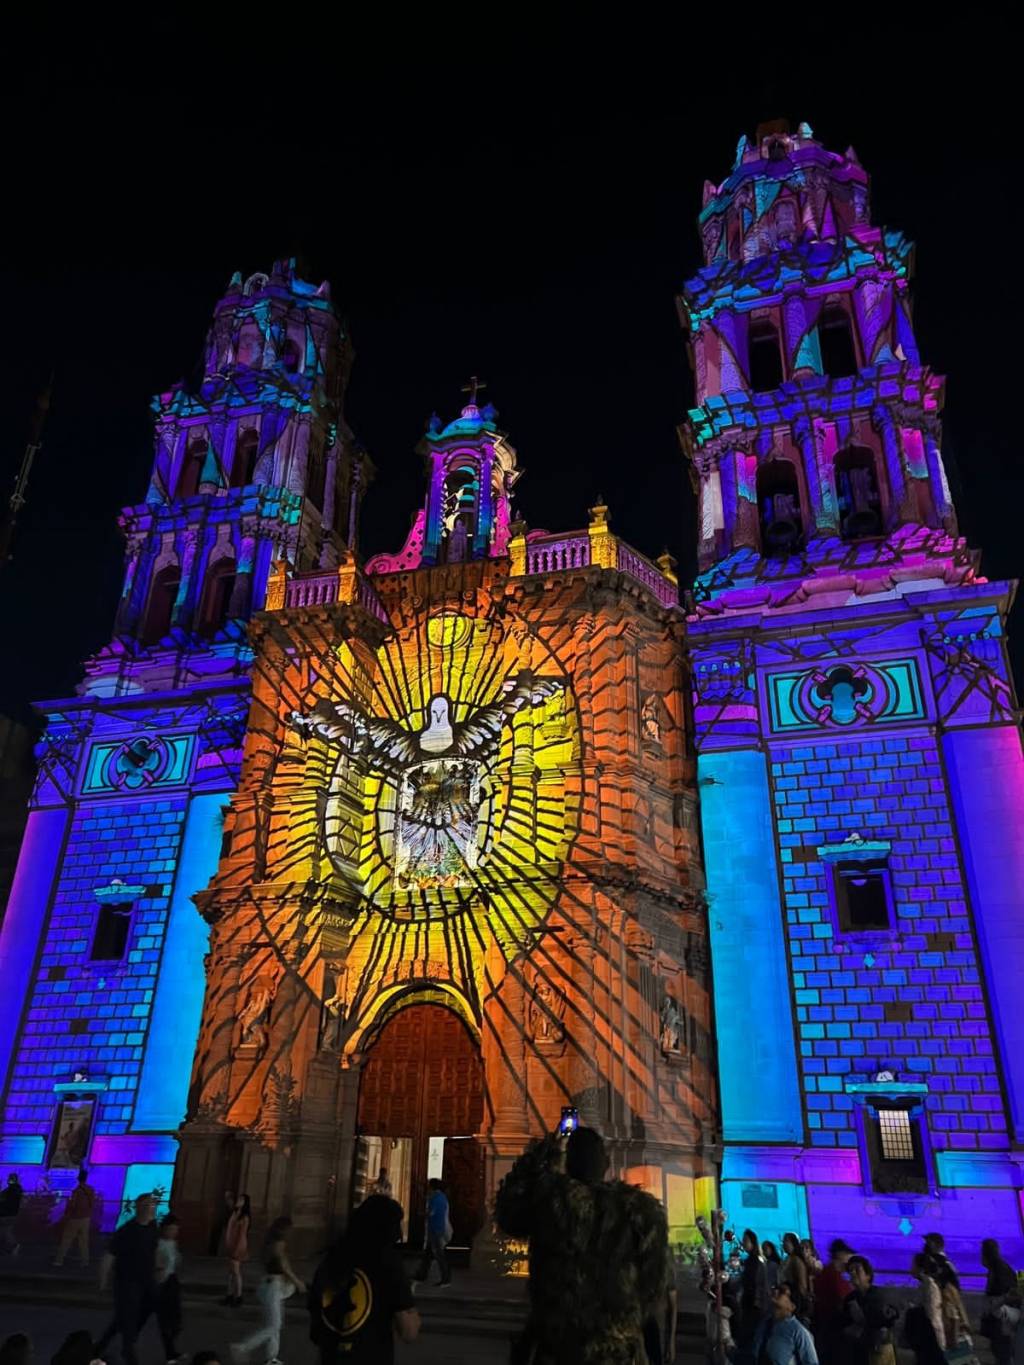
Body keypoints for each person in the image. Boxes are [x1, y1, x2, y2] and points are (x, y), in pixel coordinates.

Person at [494, 1125, 670, 1365]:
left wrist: (537, 1157)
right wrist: (622, 1317)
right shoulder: (639, 1211)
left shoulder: (549, 1203)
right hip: (615, 1348)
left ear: (567, 1163)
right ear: (606, 1162)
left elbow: (506, 1215)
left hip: (558, 1345)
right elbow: (654, 1286)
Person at [309, 1194, 420, 1364]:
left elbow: (317, 1328)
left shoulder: (331, 1259)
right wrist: (410, 1306)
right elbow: (408, 1332)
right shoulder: (388, 1263)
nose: (399, 1235)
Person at [232, 1215, 306, 1365]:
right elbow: (284, 1266)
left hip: (270, 1284)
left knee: (273, 1324)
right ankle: (243, 1347)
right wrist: (297, 1282)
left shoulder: (269, 1243)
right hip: (274, 1286)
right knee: (274, 1325)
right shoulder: (278, 1244)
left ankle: (271, 1358)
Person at [96, 1192, 160, 1365]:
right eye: (147, 1205)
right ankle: (128, 1350)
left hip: (146, 1280)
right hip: (127, 1281)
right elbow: (109, 1255)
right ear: (139, 1208)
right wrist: (103, 1280)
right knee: (128, 1317)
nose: (151, 1209)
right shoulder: (127, 1231)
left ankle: (100, 1347)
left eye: (153, 1205)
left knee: (125, 1318)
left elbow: (154, 1250)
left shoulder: (153, 1227)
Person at [841, 1255, 899, 1365]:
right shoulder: (850, 1298)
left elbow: (882, 1320)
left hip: (878, 1351)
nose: (853, 1273)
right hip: (859, 1352)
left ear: (868, 1275)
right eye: (850, 1270)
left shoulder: (878, 1296)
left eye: (857, 1269)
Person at [751, 1282, 819, 1365]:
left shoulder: (798, 1332)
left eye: (782, 1291)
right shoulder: (764, 1324)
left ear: (792, 1306)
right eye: (776, 1288)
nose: (776, 1291)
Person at [813, 1239, 854, 1365]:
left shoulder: (827, 1273)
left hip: (825, 1327)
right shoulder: (834, 1276)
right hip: (834, 1330)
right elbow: (845, 1300)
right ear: (840, 1255)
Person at [981, 1240, 1019, 1365]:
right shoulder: (998, 1268)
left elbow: (1002, 1297)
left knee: (1003, 1355)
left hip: (1001, 1321)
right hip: (1001, 1320)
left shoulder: (998, 1270)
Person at [904, 1252, 946, 1365]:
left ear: (920, 1268)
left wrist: (913, 1310)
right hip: (927, 1336)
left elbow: (931, 1314)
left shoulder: (929, 1286)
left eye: (913, 1265)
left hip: (930, 1338)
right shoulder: (923, 1285)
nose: (911, 1268)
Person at [155, 1214, 184, 1364]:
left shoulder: (173, 1243)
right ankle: (170, 1354)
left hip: (172, 1281)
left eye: (176, 1229)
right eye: (171, 1229)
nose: (174, 1232)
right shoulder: (158, 1244)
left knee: (176, 1321)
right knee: (165, 1321)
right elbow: (157, 1265)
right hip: (161, 1284)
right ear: (165, 1229)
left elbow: (175, 1261)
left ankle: (171, 1352)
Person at [54, 1170, 96, 1268]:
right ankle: (85, 1261)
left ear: (78, 1178)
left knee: (66, 1239)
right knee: (83, 1241)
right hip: (86, 1218)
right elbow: (92, 1204)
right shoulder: (91, 1190)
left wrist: (66, 1215)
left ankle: (59, 1260)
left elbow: (72, 1205)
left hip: (75, 1218)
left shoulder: (77, 1191)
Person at [414, 1179, 452, 1287]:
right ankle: (422, 1275)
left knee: (440, 1256)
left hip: (436, 1230)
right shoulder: (440, 1197)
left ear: (432, 1187)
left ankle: (446, 1279)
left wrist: (422, 1214)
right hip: (435, 1230)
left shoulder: (437, 1198)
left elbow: (433, 1213)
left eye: (428, 1186)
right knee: (428, 1255)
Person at [224, 1193, 251, 1306]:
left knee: (235, 1271)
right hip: (232, 1243)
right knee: (231, 1272)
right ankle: (229, 1295)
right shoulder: (235, 1213)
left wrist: (237, 1249)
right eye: (238, 1198)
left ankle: (238, 1296)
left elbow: (242, 1234)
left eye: (241, 1199)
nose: (238, 1201)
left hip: (238, 1245)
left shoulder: (244, 1217)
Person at [739, 1229, 766, 1341]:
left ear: (753, 1243)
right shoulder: (749, 1260)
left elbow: (757, 1282)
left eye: (746, 1240)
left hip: (753, 1302)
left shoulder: (756, 1261)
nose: (743, 1243)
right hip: (749, 1300)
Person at [781, 1232, 812, 1323]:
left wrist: (802, 1300)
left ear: (793, 1243)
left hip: (794, 1297)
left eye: (787, 1241)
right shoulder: (787, 1259)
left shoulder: (796, 1260)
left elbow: (802, 1283)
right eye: (783, 1242)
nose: (784, 1244)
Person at [0, 1173, 24, 1257]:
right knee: (5, 1231)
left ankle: (14, 1245)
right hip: (13, 1214)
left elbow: (2, 1201)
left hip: (4, 1214)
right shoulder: (19, 1189)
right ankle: (10, 1247)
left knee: (5, 1232)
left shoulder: (9, 1190)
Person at [209, 1190, 235, 1257]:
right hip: (219, 1222)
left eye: (228, 1195)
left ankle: (218, 1252)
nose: (226, 1197)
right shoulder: (221, 1203)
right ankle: (213, 1252)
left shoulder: (230, 1203)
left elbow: (230, 1213)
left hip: (224, 1223)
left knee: (222, 1239)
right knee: (216, 1237)